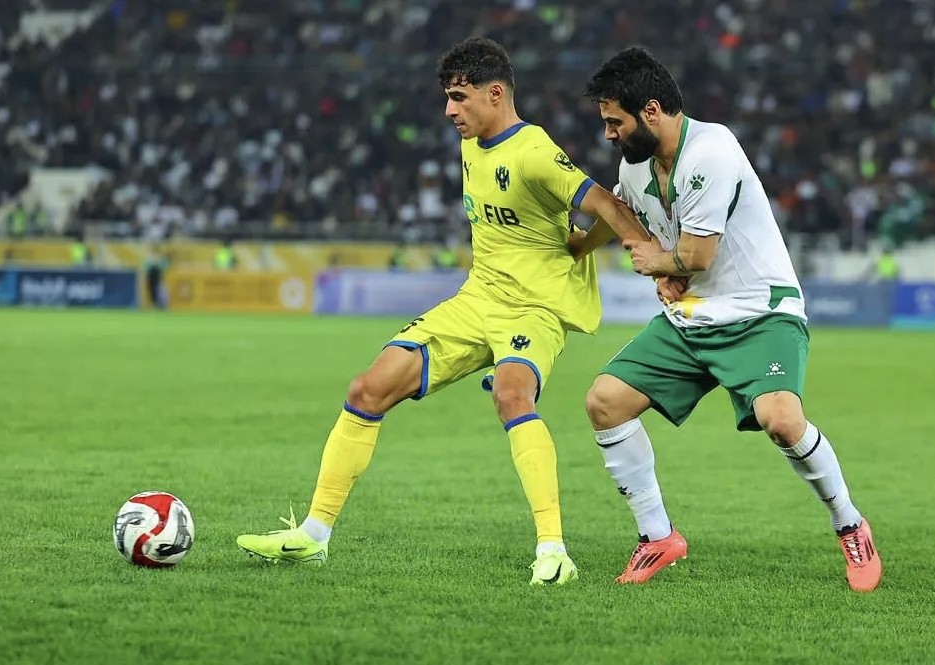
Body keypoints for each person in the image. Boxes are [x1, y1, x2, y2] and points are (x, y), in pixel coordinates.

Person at [236, 38, 650, 585]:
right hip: (477, 299)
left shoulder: (532, 151)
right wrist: (576, 243)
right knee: (367, 389)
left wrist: (652, 262)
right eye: (447, 98)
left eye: (459, 97)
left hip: (533, 309)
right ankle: (314, 536)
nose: (449, 111)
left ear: (495, 92)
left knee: (512, 396)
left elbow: (607, 203)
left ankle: (553, 551)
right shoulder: (473, 141)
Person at [577, 47, 882, 592]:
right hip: (691, 317)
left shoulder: (712, 151)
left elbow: (696, 258)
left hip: (758, 311)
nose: (608, 134)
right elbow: (622, 209)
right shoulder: (635, 163)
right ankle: (658, 537)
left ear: (651, 111)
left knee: (783, 421)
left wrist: (656, 262)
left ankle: (851, 524)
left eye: (613, 121)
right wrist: (581, 245)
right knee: (605, 401)